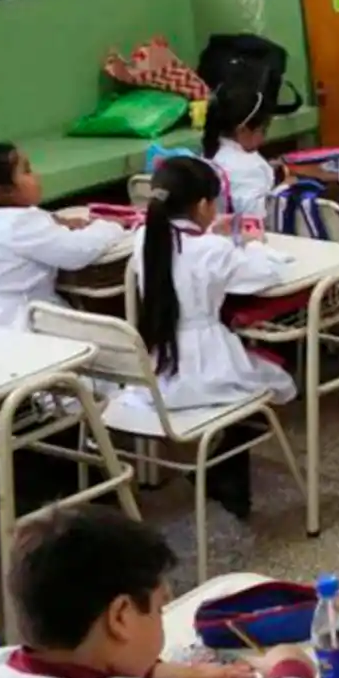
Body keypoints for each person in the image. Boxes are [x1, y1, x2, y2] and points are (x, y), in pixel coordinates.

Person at [123, 157, 296, 519]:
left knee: (260, 376)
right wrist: (253, 244)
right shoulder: (211, 249)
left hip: (156, 372)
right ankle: (224, 468)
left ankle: (224, 470)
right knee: (279, 380)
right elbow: (264, 275)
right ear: (203, 206)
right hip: (207, 366)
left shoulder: (145, 237)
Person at [0, 505, 314, 678]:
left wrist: (176, 673)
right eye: (158, 609)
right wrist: (288, 665)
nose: (161, 620)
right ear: (121, 616)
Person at [0, 144, 125, 328]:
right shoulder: (22, 222)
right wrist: (110, 226)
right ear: (2, 193)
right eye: (27, 171)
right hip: (13, 320)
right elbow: (78, 251)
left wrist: (53, 221)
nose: (36, 176)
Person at [201, 86, 278, 220]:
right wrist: (285, 187)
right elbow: (257, 217)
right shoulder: (249, 168)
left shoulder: (208, 155)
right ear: (242, 130)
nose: (264, 137)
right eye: (263, 130)